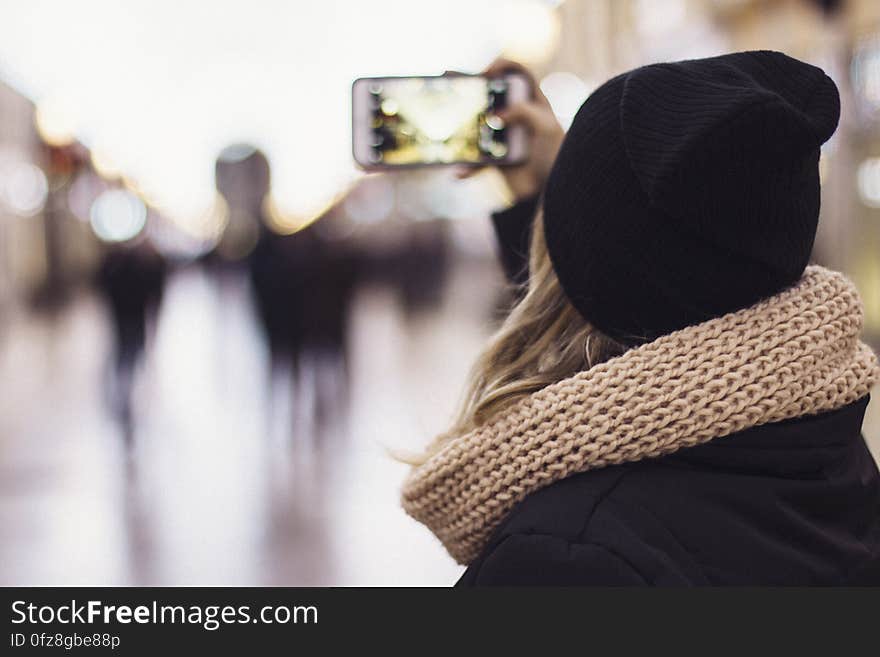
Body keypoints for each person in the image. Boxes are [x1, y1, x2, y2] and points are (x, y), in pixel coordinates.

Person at [401, 52, 880, 585]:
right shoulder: (824, 440)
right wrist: (560, 196)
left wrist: (566, 198)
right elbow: (644, 281)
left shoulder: (566, 555)